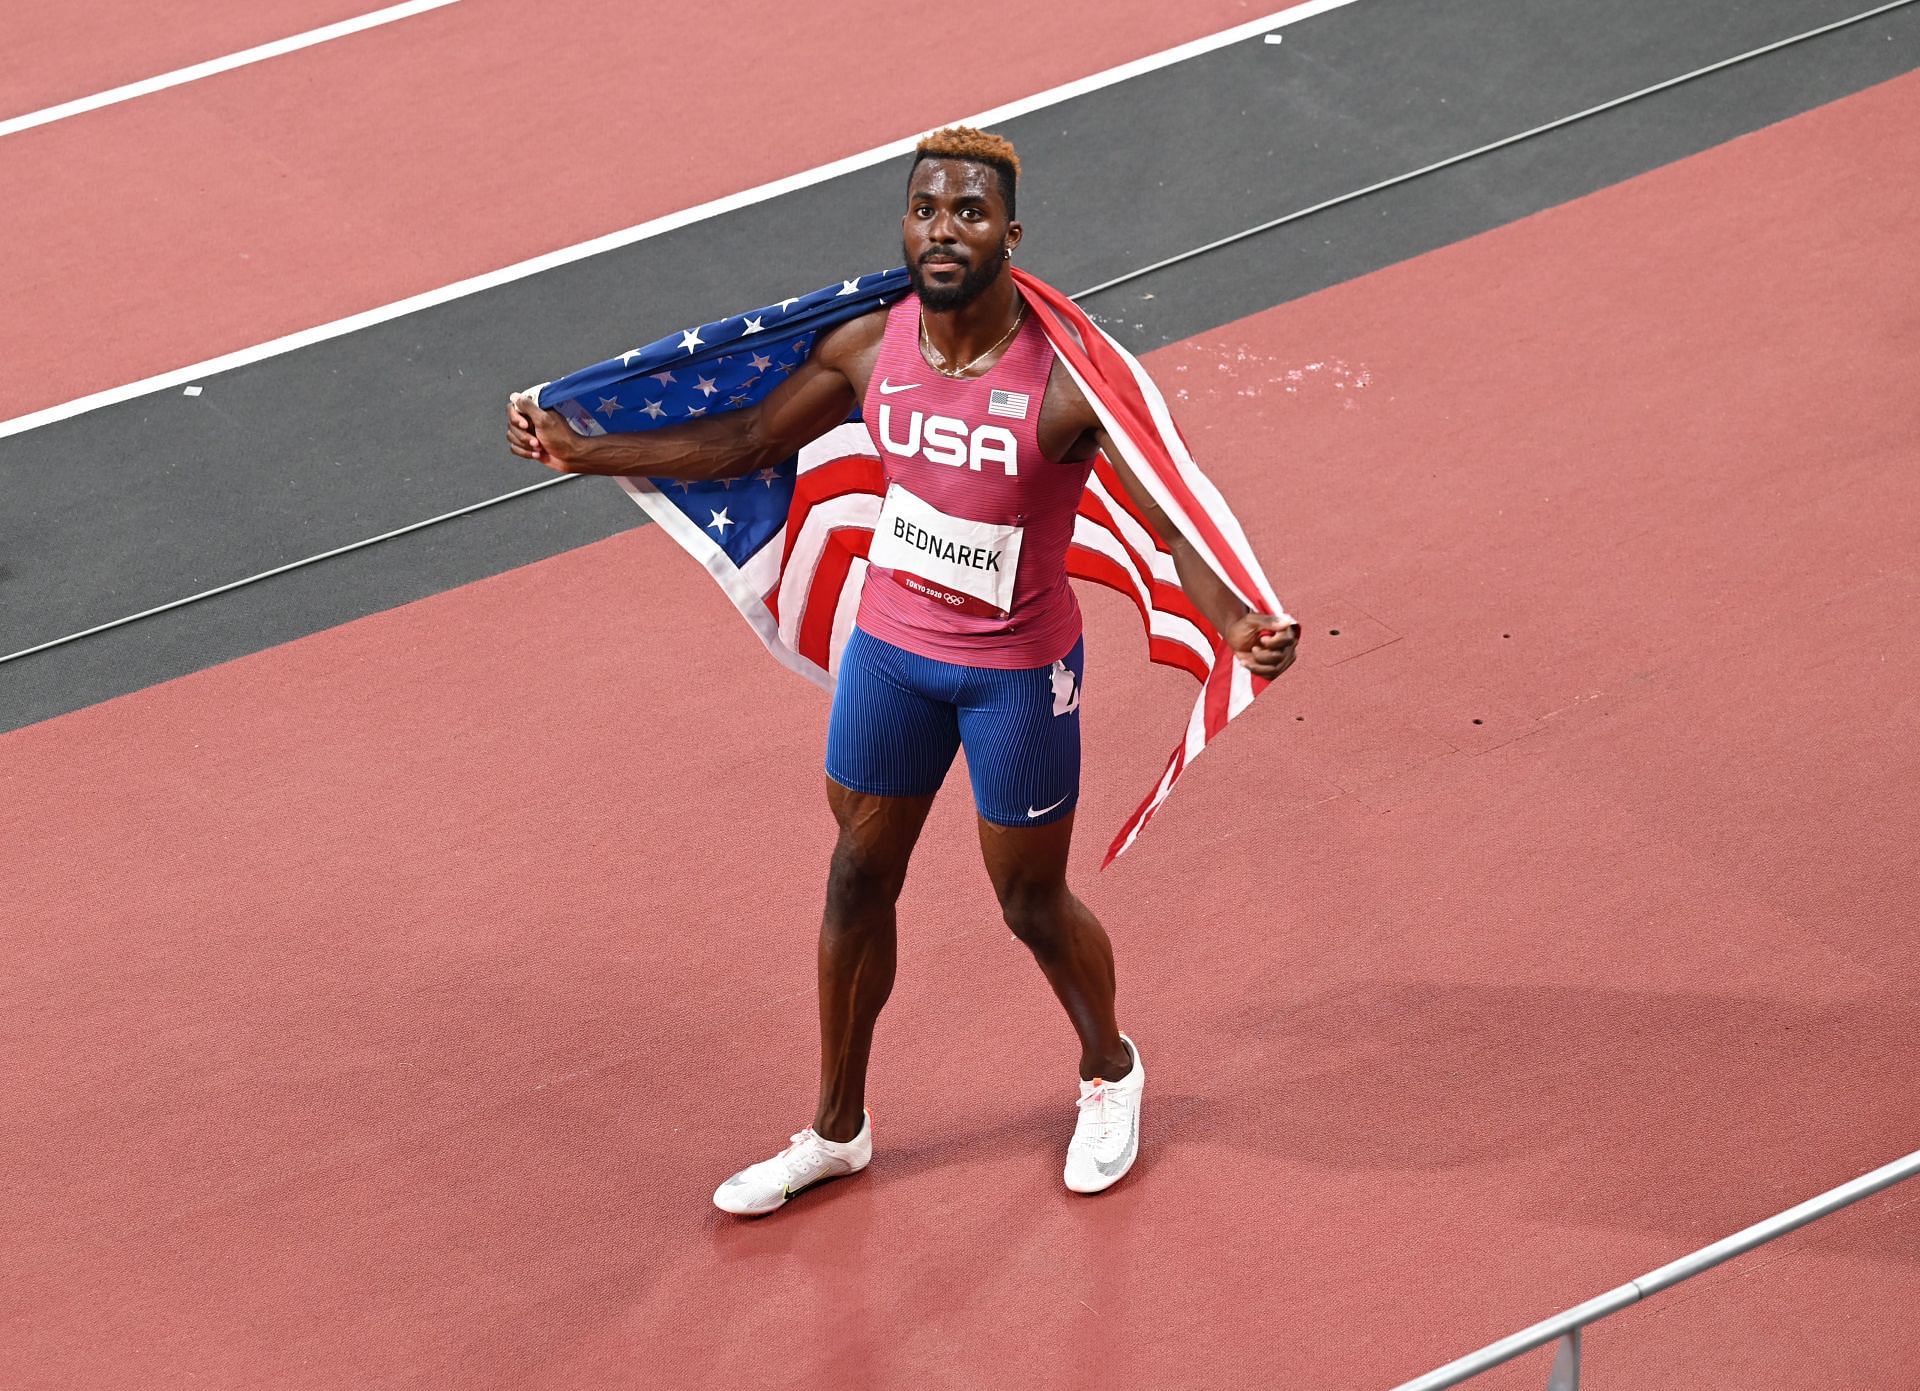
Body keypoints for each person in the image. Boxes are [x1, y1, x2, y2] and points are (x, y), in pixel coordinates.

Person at [507, 127, 1297, 1215]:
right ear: (906, 225)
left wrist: (1236, 619)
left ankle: (1110, 1067)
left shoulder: (1063, 385)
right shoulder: (868, 351)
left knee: (1026, 899)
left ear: (1010, 237)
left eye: (969, 213)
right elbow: (741, 442)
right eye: (927, 209)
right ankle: (836, 1129)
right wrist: (581, 449)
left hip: (1016, 674)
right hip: (890, 658)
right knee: (855, 876)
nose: (943, 230)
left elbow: (1167, 524)